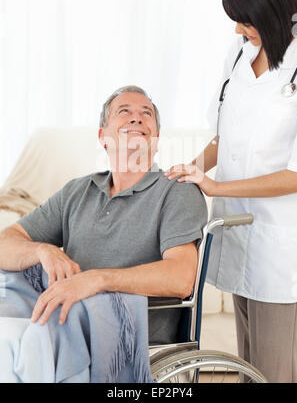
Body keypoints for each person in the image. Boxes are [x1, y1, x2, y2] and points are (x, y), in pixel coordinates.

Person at [165, 0, 297, 383]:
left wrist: (216, 184)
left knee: (275, 372)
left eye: (246, 20)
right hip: (239, 231)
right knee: (249, 369)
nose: (238, 29)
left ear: (274, 13)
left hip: (282, 244)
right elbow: (225, 136)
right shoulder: (241, 52)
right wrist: (193, 168)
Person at [0, 86, 207, 347]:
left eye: (146, 113)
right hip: (66, 318)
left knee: (30, 339)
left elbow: (180, 277)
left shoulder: (176, 190)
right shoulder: (78, 191)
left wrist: (97, 280)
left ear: (155, 138)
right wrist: (43, 251)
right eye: (124, 111)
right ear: (103, 137)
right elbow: (5, 243)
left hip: (126, 331)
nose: (136, 118)